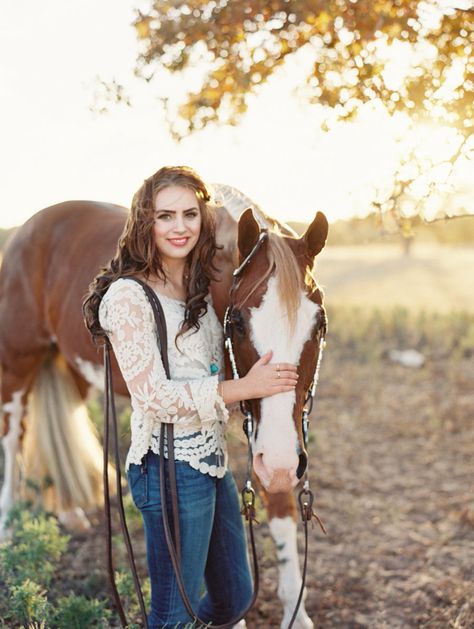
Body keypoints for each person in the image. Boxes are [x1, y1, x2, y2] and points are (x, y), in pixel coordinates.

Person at [83, 166, 298, 628]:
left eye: (188, 214)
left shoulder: (199, 287)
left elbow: (211, 372)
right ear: (146, 222)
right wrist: (246, 388)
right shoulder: (128, 296)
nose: (179, 227)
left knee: (234, 597)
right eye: (165, 216)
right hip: (167, 468)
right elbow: (155, 397)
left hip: (209, 459)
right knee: (172, 613)